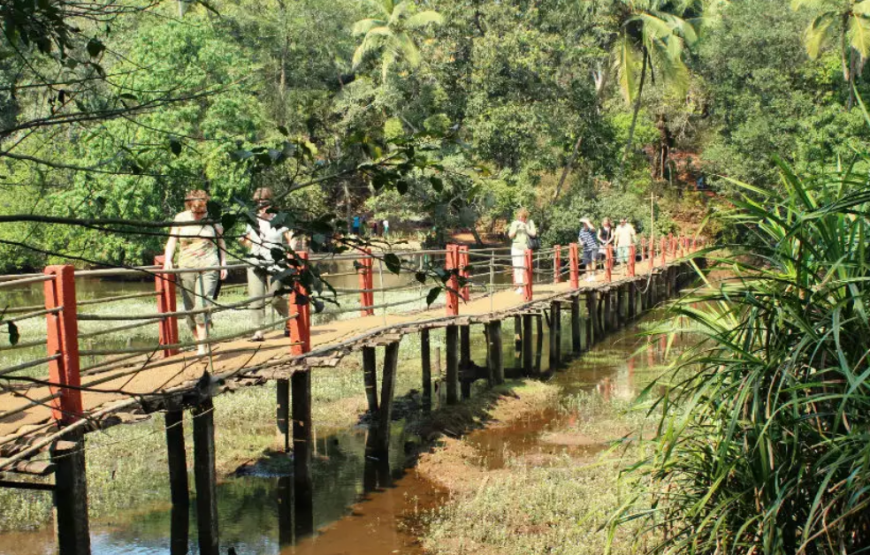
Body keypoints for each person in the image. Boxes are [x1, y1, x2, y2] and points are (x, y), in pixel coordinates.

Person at [163, 190, 228, 355]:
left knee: (203, 305)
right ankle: (200, 340)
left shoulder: (212, 218)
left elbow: (220, 242)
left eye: (201, 211)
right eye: (195, 211)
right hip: (186, 266)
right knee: (190, 308)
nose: (199, 215)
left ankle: (202, 347)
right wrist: (168, 260)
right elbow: (172, 240)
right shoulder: (181, 218)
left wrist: (223, 263)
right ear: (189, 206)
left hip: (209, 265)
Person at [240, 187, 298, 341]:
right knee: (256, 297)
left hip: (276, 262)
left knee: (275, 296)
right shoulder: (252, 219)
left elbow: (291, 237)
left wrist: (290, 255)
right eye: (258, 202)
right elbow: (247, 241)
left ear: (271, 202)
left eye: (264, 202)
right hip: (255, 261)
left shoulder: (280, 218)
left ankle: (289, 320)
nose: (261, 205)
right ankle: (258, 331)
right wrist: (244, 241)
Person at [507, 208, 537, 294]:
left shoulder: (529, 223)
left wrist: (526, 227)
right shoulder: (514, 223)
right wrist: (516, 228)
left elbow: (534, 234)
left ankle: (526, 286)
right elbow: (510, 236)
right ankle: (520, 286)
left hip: (526, 249)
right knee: (517, 267)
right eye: (519, 216)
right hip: (516, 248)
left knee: (525, 267)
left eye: (522, 217)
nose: (520, 218)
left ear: (525, 217)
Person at [578, 217, 598, 282]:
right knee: (587, 263)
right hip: (586, 248)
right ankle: (588, 276)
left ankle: (593, 275)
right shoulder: (581, 230)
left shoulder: (591, 229)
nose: (584, 224)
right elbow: (580, 237)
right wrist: (581, 242)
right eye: (584, 223)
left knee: (593, 260)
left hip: (593, 247)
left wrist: (587, 221)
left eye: (585, 223)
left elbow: (593, 228)